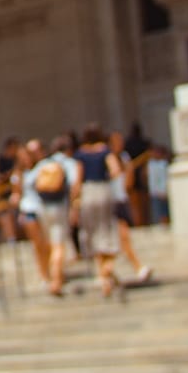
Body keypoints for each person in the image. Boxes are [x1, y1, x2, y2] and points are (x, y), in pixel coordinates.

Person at [73, 124, 126, 298]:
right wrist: (105, 178)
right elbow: (116, 171)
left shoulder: (81, 154)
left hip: (88, 192)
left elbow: (77, 179)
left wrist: (75, 201)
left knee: (93, 231)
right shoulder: (105, 151)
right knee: (107, 229)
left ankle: (103, 275)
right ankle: (106, 271)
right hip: (103, 190)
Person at [31, 135, 78, 297]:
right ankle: (56, 280)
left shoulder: (43, 165)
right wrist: (74, 207)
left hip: (43, 207)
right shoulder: (67, 164)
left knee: (51, 243)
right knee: (58, 245)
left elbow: (31, 183)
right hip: (59, 207)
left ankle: (53, 275)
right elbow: (74, 185)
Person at [108, 130, 156, 284]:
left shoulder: (124, 157)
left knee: (122, 238)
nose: (120, 144)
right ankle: (136, 267)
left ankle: (109, 273)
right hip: (109, 202)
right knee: (121, 238)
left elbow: (127, 183)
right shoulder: (107, 159)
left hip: (121, 200)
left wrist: (128, 171)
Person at [147, 145, 172, 226]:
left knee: (164, 213)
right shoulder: (151, 164)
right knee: (158, 214)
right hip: (155, 193)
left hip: (163, 192)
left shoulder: (164, 164)